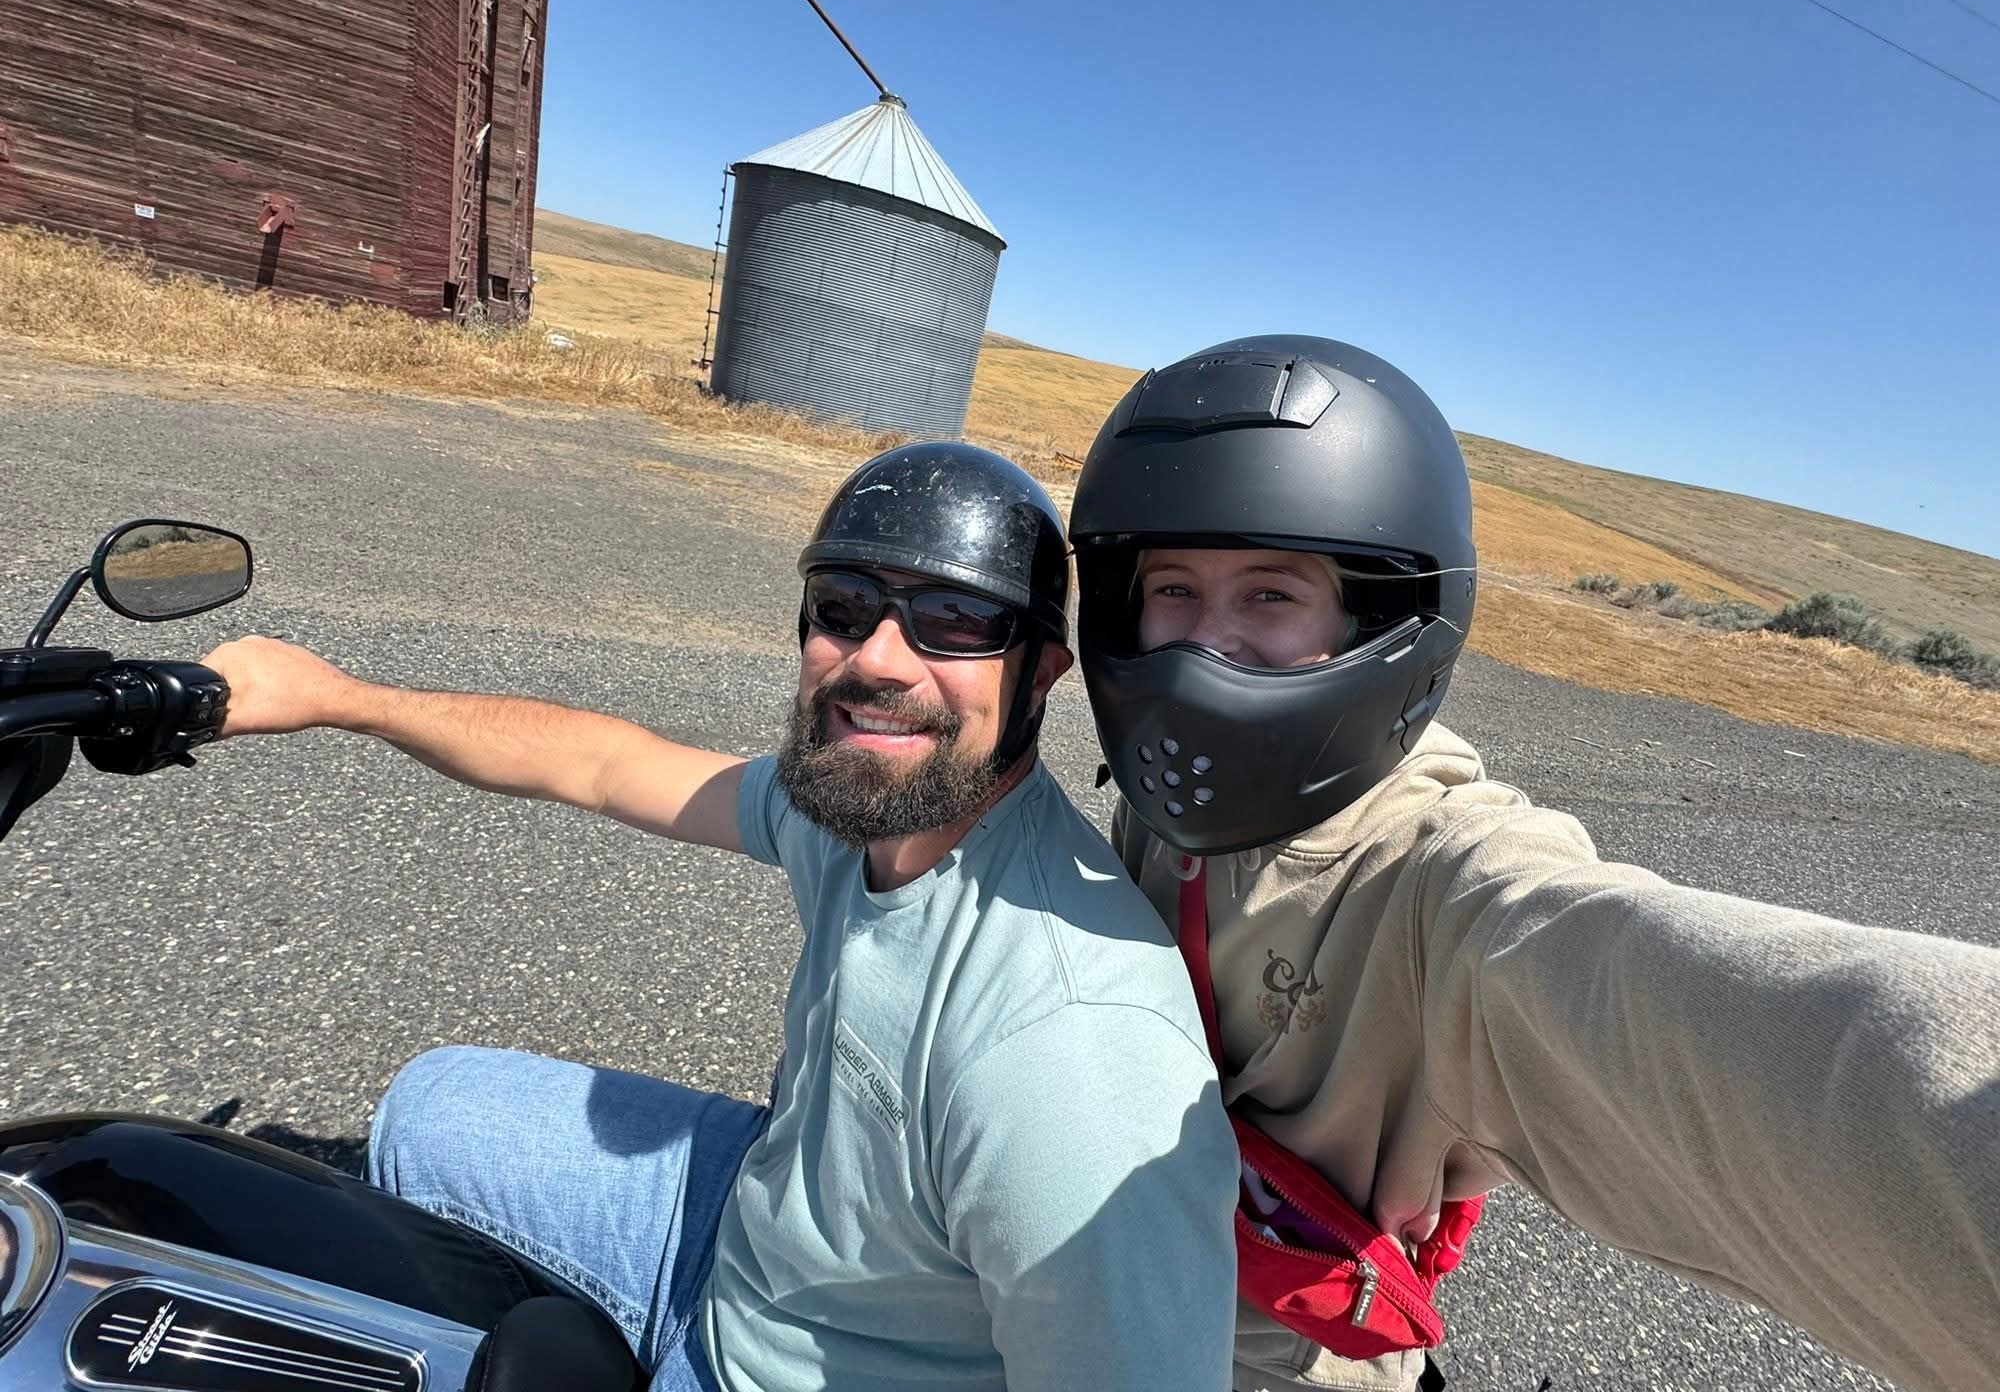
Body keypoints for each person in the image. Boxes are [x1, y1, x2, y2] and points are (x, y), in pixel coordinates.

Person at [1067, 334, 2000, 1392]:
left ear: (1378, 621)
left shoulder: (1438, 877)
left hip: (1270, 1356)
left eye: (1269, 596)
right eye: (1173, 589)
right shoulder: (1167, 808)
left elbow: (1650, 986)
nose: (1205, 646)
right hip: (1100, 1281)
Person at [204, 441, 1239, 1392]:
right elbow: (603, 764)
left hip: (816, 1366)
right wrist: (341, 698)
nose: (878, 659)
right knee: (421, 1111)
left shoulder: (1068, 1054)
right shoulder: (857, 803)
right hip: (762, 1219)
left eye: (956, 620)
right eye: (845, 605)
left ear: (1041, 671)